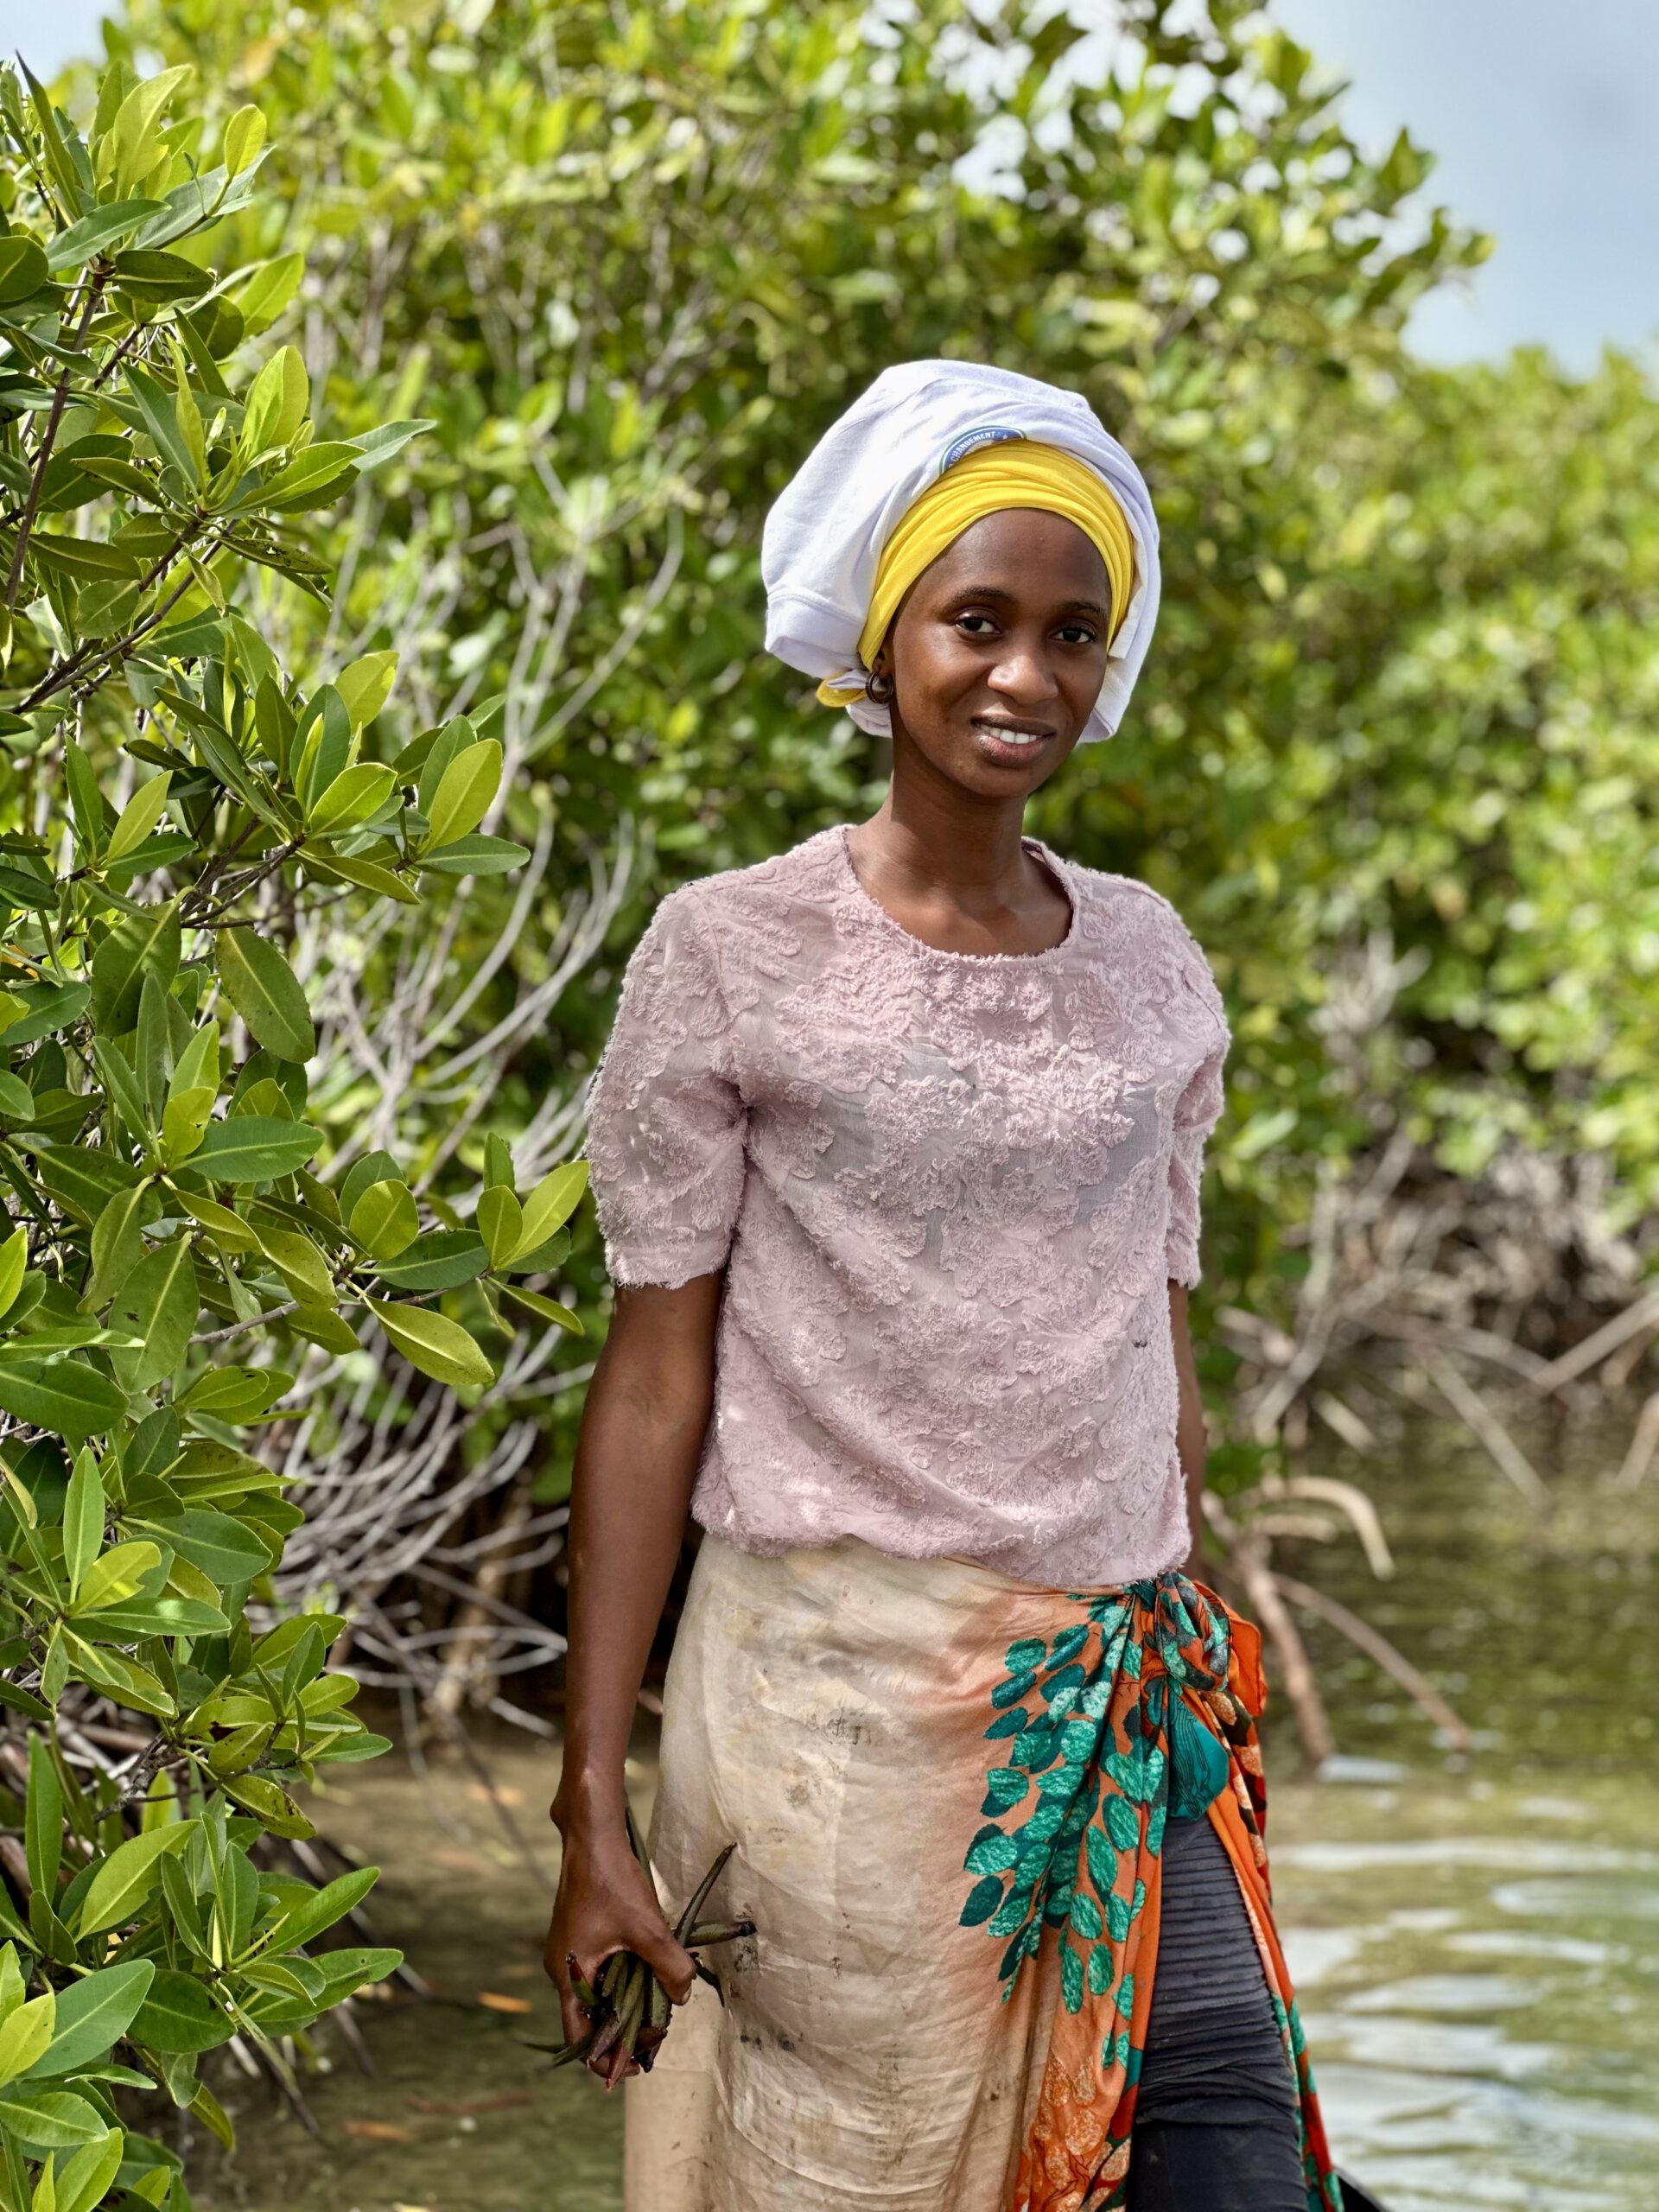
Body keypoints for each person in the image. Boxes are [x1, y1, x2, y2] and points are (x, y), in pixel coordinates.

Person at [544, 360, 1346, 2212]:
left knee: (1235, 2167)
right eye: (977, 620)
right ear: (883, 635)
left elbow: (1158, 1345)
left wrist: (1188, 1593)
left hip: (1124, 1695)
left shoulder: (1150, 958)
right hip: (835, 1730)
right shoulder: (732, 951)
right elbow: (654, 1378)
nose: (1027, 676)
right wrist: (595, 1802)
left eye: (1074, 633)